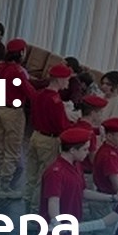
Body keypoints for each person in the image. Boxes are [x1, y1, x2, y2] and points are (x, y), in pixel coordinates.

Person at [0, 38, 32, 197]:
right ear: (21, 53)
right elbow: (29, 92)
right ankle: (3, 187)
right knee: (12, 151)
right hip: (13, 113)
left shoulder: (1, 67)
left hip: (0, 108)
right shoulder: (17, 71)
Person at [24, 64, 76, 211]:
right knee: (44, 176)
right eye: (67, 79)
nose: (68, 83)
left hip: (36, 135)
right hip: (49, 140)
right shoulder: (56, 101)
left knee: (31, 173)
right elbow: (61, 125)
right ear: (59, 79)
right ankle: (35, 210)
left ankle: (27, 200)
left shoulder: (39, 94)